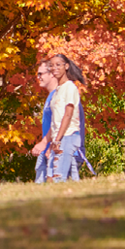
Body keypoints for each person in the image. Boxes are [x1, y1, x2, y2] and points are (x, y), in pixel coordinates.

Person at [47, 53, 87, 182]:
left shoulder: (70, 88)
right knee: (64, 176)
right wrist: (52, 140)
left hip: (68, 136)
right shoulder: (57, 90)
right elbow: (55, 120)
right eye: (52, 65)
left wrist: (58, 140)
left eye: (58, 64)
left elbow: (68, 115)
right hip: (58, 138)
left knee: (59, 176)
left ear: (66, 66)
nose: (55, 68)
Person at [31, 62, 58, 183]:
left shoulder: (58, 96)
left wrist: (46, 144)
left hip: (54, 150)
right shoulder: (50, 96)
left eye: (40, 73)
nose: (38, 77)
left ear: (52, 74)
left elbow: (59, 123)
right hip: (47, 150)